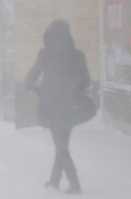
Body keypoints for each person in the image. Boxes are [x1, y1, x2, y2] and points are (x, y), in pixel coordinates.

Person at [25, 19, 91, 194]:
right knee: (62, 143)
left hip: (52, 107)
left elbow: (30, 78)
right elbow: (86, 81)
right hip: (71, 107)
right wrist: (72, 92)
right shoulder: (78, 55)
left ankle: (74, 183)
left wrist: (36, 88)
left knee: (61, 146)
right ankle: (55, 180)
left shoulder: (46, 54)